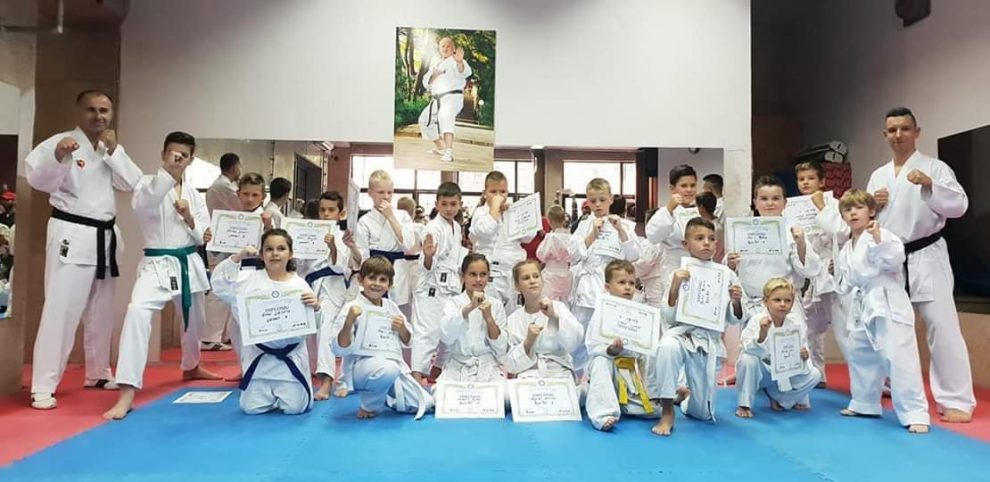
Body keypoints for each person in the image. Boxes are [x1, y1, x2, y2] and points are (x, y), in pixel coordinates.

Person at [25, 90, 143, 410]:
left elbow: (132, 183)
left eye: (104, 110)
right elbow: (38, 179)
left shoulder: (108, 148)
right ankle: (43, 385)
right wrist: (59, 156)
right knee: (61, 309)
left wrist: (114, 151)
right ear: (79, 112)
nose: (98, 116)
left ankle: (98, 372)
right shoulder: (60, 142)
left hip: (104, 236)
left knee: (102, 310)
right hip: (72, 232)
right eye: (91, 109)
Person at [103, 132, 223, 420]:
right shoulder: (147, 184)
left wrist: (189, 218)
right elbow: (143, 206)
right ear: (163, 154)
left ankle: (191, 366)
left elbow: (203, 236)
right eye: (173, 153)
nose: (178, 158)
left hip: (188, 261)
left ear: (191, 159)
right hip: (156, 263)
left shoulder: (194, 194)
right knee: (137, 313)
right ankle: (127, 389)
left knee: (195, 322)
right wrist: (167, 175)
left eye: (184, 155)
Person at [866, 107, 974, 423]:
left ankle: (956, 399)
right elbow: (862, 216)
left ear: (917, 132)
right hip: (890, 258)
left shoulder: (935, 168)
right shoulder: (878, 175)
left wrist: (930, 185)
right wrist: (873, 206)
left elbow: (959, 206)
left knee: (942, 326)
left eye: (904, 128)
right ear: (885, 135)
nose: (898, 135)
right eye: (892, 130)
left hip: (927, 254)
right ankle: (890, 384)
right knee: (888, 326)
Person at [833, 189, 930, 433]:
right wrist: (834, 271)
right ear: (843, 216)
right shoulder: (846, 248)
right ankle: (864, 403)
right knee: (859, 352)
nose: (853, 213)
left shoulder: (884, 234)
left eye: (859, 208)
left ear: (872, 211)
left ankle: (915, 412)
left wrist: (878, 240)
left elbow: (895, 260)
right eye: (848, 209)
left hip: (887, 300)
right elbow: (845, 284)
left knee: (897, 356)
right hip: (862, 301)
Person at [212, 230, 320, 415]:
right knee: (251, 409)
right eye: (269, 249)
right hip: (259, 358)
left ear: (291, 254)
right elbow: (220, 286)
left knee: (295, 409)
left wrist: (316, 308)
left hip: (290, 359)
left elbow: (312, 327)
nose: (275, 253)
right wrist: (238, 257)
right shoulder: (246, 281)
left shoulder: (300, 286)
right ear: (261, 255)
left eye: (281, 249)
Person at [654, 218, 745, 436]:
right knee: (667, 346)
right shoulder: (678, 273)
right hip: (682, 334)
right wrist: (675, 288)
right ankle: (667, 410)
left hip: (709, 340)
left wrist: (736, 301)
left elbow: (735, 320)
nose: (706, 243)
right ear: (686, 244)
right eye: (700, 238)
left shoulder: (726, 274)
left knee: (702, 413)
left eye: (711, 239)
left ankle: (686, 398)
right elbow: (668, 317)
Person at [332, 256, 434, 419]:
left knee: (425, 404)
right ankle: (369, 406)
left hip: (393, 366)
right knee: (387, 369)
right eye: (372, 278)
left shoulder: (391, 307)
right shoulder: (351, 307)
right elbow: (339, 349)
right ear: (360, 280)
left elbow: (408, 341)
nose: (377, 284)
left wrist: (401, 328)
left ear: (390, 284)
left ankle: (385, 395)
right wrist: (349, 321)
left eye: (383, 280)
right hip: (361, 368)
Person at [568, 178, 640, 375]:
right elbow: (572, 255)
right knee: (580, 335)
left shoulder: (625, 225)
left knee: (610, 334)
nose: (598, 205)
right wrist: (593, 233)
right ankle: (577, 377)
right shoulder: (584, 224)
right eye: (593, 201)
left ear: (611, 199)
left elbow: (634, 256)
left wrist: (620, 230)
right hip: (587, 289)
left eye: (602, 200)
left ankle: (608, 376)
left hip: (613, 289)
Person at [203, 173, 274, 373]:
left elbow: (278, 247)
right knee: (236, 329)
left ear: (263, 197)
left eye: (255, 195)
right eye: (246, 194)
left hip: (257, 274)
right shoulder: (227, 219)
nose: (250, 199)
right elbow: (217, 252)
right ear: (238, 194)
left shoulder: (267, 218)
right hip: (234, 274)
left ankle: (256, 368)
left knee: (253, 325)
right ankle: (245, 367)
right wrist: (209, 238)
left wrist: (268, 227)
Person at [295, 191, 362, 400]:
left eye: (331, 210)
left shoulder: (345, 236)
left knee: (326, 329)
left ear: (341, 213)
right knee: (310, 333)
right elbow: (300, 265)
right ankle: (310, 374)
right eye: (322, 210)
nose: (326, 214)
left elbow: (343, 266)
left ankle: (327, 381)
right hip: (309, 286)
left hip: (334, 286)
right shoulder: (309, 233)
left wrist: (334, 246)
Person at [726, 175, 821, 320]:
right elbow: (729, 273)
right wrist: (731, 264)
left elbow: (809, 271)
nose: (770, 203)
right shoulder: (742, 232)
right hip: (753, 307)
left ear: (785, 202)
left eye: (776, 198)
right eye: (764, 199)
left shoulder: (793, 232)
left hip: (786, 307)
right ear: (755, 203)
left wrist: (801, 244)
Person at [584, 260, 659, 432]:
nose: (627, 287)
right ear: (607, 286)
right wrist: (611, 350)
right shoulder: (600, 313)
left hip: (631, 374)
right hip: (608, 370)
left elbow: (646, 350)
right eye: (622, 282)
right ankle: (603, 414)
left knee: (655, 411)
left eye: (631, 283)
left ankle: (645, 400)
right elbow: (592, 347)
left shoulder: (641, 313)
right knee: (600, 361)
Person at [735, 278, 821, 419]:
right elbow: (746, 348)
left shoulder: (794, 325)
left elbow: (803, 359)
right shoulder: (757, 320)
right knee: (747, 359)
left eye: (787, 301)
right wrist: (762, 335)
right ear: (765, 301)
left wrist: (803, 356)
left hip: (782, 375)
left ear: (792, 303)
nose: (782, 304)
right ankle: (744, 404)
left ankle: (781, 399)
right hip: (761, 372)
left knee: (816, 374)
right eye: (777, 300)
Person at [795, 161, 844, 388]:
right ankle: (816, 373)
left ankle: (880, 381)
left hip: (833, 270)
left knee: (845, 327)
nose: (805, 182)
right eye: (801, 179)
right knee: (811, 327)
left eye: (811, 178)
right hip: (809, 274)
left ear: (822, 181)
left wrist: (822, 208)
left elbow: (842, 235)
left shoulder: (835, 204)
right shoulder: (793, 208)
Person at [411, 182, 466, 384]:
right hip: (431, 286)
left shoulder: (456, 227)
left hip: (451, 285)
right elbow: (426, 265)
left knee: (451, 328)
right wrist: (428, 256)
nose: (449, 208)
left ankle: (438, 368)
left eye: (453, 204)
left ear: (460, 204)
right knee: (428, 332)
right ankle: (416, 376)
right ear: (436, 204)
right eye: (444, 204)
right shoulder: (432, 228)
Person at [504, 260, 583, 382]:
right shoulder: (513, 320)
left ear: (542, 280)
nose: (532, 281)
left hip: (559, 371)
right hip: (527, 375)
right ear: (517, 286)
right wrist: (528, 342)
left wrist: (553, 317)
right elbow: (510, 364)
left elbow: (574, 342)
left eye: (536, 276)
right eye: (526, 278)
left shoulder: (558, 308)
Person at [469, 171, 537, 313]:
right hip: (492, 272)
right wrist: (495, 209)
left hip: (513, 269)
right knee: (490, 312)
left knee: (514, 313)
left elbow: (528, 237)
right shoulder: (480, 212)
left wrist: (522, 216)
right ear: (485, 193)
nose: (498, 196)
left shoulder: (513, 211)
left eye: (503, 192)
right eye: (493, 192)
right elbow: (485, 230)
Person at [437, 253, 509, 382]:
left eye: (483, 274)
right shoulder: (453, 303)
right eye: (473, 274)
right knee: (440, 392)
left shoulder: (496, 305)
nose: (478, 279)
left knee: (503, 392)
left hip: (488, 366)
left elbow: (502, 347)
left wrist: (489, 318)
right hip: (457, 366)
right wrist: (469, 307)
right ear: (463, 276)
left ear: (488, 276)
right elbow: (446, 336)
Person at [354, 170, 416, 317]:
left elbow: (408, 245)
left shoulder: (402, 216)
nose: (386, 196)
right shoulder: (365, 221)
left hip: (398, 270)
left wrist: (391, 217)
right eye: (381, 192)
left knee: (398, 314)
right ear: (370, 193)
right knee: (373, 312)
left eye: (389, 192)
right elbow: (363, 255)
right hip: (374, 270)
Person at [646, 165, 702, 300]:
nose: (689, 190)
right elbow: (652, 236)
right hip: (674, 270)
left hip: (699, 270)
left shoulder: (700, 213)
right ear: (672, 188)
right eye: (684, 186)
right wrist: (670, 209)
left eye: (692, 185)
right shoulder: (666, 213)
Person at [418, 37, 472, 163]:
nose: (445, 48)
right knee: (424, 120)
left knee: (445, 115)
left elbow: (464, 72)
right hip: (437, 99)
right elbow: (426, 83)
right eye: (443, 46)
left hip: (452, 97)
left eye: (448, 46)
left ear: (453, 49)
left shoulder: (456, 60)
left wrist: (459, 62)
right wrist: (435, 75)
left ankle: (449, 152)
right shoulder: (436, 64)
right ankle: (441, 147)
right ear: (439, 48)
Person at [536, 205, 573, 303]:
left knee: (548, 299)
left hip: (551, 272)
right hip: (565, 271)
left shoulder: (550, 237)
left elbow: (540, 254)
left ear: (550, 221)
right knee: (564, 299)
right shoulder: (570, 237)